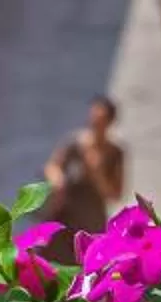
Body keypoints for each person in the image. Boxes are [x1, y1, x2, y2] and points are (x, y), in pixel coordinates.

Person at [46, 95, 126, 239]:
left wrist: (98, 174)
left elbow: (115, 195)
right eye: (93, 117)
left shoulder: (115, 152)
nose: (95, 123)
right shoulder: (74, 143)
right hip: (66, 214)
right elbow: (53, 165)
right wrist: (58, 181)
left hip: (92, 218)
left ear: (109, 122)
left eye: (100, 120)